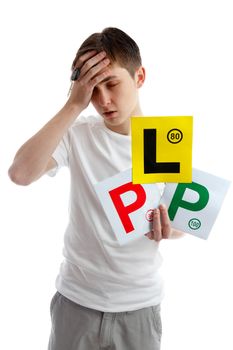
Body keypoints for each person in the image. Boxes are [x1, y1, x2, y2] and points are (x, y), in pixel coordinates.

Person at [8, 27, 183, 350]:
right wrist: (73, 104)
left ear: (139, 77)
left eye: (112, 83)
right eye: (93, 88)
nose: (103, 100)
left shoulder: (161, 141)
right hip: (77, 302)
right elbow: (20, 173)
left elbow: (182, 222)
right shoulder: (78, 134)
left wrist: (167, 230)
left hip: (138, 307)